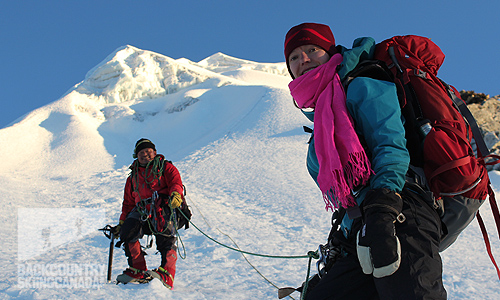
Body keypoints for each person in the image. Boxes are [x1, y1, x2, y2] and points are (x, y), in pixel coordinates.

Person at [283, 23, 446, 299]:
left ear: (331, 53)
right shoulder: (323, 116)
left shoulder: (363, 84)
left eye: (313, 50)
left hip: (401, 212)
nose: (304, 60)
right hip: (361, 227)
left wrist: (383, 208)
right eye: (295, 57)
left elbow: (391, 146)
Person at [113, 138, 185, 289]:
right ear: (136, 155)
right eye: (141, 152)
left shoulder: (166, 167)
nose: (145, 155)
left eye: (148, 151)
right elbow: (128, 203)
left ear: (155, 152)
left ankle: (167, 273)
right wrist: (122, 222)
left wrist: (176, 195)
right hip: (142, 210)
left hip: (164, 206)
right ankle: (137, 270)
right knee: (128, 231)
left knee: (163, 228)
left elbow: (175, 183)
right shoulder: (132, 177)